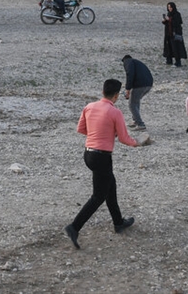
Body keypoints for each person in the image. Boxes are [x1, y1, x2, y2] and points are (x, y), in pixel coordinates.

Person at [64, 78, 145, 250]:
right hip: (102, 157)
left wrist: (99, 133)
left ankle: (118, 222)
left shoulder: (89, 106)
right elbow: (123, 138)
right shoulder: (115, 112)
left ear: (102, 92)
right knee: (98, 196)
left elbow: (81, 129)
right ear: (116, 95)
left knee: (110, 186)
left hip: (88, 154)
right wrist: (136, 143)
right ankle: (74, 227)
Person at [121, 55, 154, 130]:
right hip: (149, 84)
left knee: (132, 104)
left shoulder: (128, 62)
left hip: (140, 85)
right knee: (136, 102)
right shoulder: (136, 62)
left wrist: (127, 89)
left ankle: (140, 124)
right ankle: (135, 120)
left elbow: (130, 74)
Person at [162, 2, 186, 67]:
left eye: (170, 7)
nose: (169, 8)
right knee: (168, 47)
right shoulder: (169, 14)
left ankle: (178, 62)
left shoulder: (177, 14)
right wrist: (165, 20)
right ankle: (169, 60)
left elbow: (177, 23)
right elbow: (168, 23)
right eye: (168, 7)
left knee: (176, 48)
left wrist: (169, 20)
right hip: (168, 34)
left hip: (175, 34)